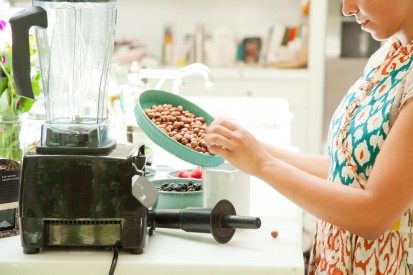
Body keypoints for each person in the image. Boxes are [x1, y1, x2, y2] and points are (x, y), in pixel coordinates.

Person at [203, 0, 413, 273]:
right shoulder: (390, 55)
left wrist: (262, 164)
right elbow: (346, 170)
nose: (346, 9)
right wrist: (249, 146)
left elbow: (373, 215)